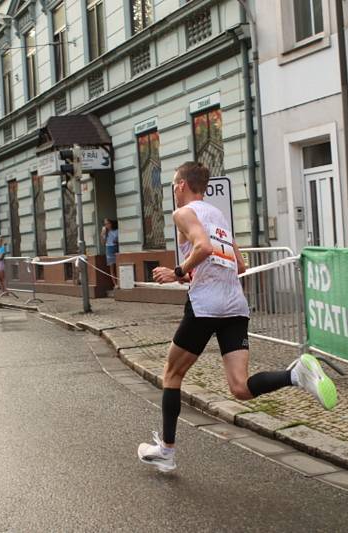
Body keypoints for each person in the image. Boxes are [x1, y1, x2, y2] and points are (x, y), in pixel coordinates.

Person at [137, 162, 337, 472]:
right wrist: (192, 274)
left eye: (174, 184)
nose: (173, 190)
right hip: (235, 305)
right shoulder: (218, 217)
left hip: (206, 308)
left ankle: (167, 449)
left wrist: (178, 271)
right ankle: (295, 375)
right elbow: (239, 265)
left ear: (181, 185)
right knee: (240, 387)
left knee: (171, 375)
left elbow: (202, 248)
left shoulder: (183, 214)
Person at [100, 218, 119, 289]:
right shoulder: (106, 232)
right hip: (109, 248)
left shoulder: (116, 230)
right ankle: (115, 284)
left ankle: (119, 281)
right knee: (112, 267)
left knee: (117, 264)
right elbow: (103, 243)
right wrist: (102, 234)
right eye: (105, 224)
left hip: (116, 247)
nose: (106, 225)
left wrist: (116, 241)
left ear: (111, 223)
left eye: (107, 223)